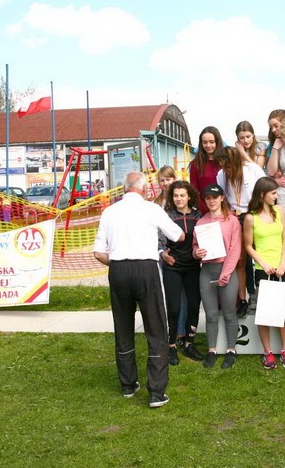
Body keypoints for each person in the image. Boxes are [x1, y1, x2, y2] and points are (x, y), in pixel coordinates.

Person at [93, 171, 184, 408]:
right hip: (146, 268)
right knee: (156, 327)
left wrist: (119, 263)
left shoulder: (109, 211)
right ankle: (156, 392)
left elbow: (98, 253)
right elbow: (178, 235)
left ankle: (127, 384)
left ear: (125, 188)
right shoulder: (151, 209)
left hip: (118, 269)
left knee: (123, 327)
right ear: (144, 190)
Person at [244, 177, 285, 369]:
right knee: (264, 312)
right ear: (262, 194)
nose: (276, 196)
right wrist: (263, 263)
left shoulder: (279, 210)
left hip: (281, 268)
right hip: (262, 269)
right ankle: (268, 352)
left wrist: (282, 264)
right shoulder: (250, 218)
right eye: (273, 193)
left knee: (284, 310)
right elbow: (248, 245)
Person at [193, 184, 241, 370]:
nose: (211, 201)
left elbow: (235, 249)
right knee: (211, 314)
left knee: (229, 313)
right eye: (208, 198)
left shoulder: (232, 221)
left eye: (214, 197)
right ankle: (211, 350)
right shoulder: (201, 223)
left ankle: (231, 350)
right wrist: (196, 252)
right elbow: (195, 246)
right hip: (207, 271)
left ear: (222, 198)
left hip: (226, 270)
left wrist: (225, 273)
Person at [216, 146, 265, 317]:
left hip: (253, 215)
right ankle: (243, 299)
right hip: (235, 217)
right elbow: (222, 198)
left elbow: (265, 191)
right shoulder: (221, 174)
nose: (226, 171)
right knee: (240, 261)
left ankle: (260, 294)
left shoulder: (252, 169)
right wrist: (228, 214)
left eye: (229, 166)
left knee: (260, 257)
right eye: (223, 167)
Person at [159, 180, 204, 364]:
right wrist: (162, 254)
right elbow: (159, 240)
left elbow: (205, 240)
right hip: (173, 266)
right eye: (176, 195)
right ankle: (171, 345)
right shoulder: (166, 216)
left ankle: (188, 343)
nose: (179, 199)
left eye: (182, 195)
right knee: (174, 307)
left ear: (189, 196)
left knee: (193, 305)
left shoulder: (199, 216)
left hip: (193, 266)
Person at [189, 126, 224, 214]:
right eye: (205, 142)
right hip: (205, 211)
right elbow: (194, 190)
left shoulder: (225, 162)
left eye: (211, 142)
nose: (208, 145)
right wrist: (204, 209)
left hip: (225, 209)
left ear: (217, 142)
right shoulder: (195, 164)